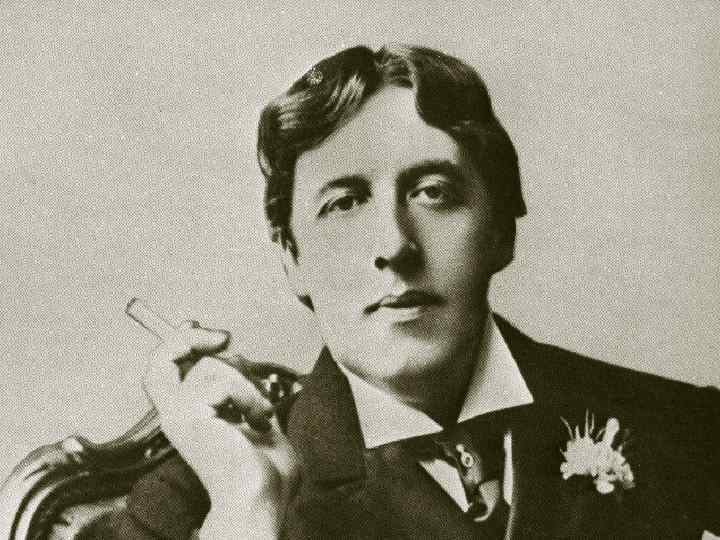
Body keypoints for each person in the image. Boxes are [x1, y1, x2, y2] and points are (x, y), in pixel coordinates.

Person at [92, 44, 719, 539]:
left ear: (502, 230)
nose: (393, 245)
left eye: (433, 193)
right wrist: (249, 509)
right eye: (344, 203)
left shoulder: (683, 427)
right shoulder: (194, 501)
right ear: (292, 260)